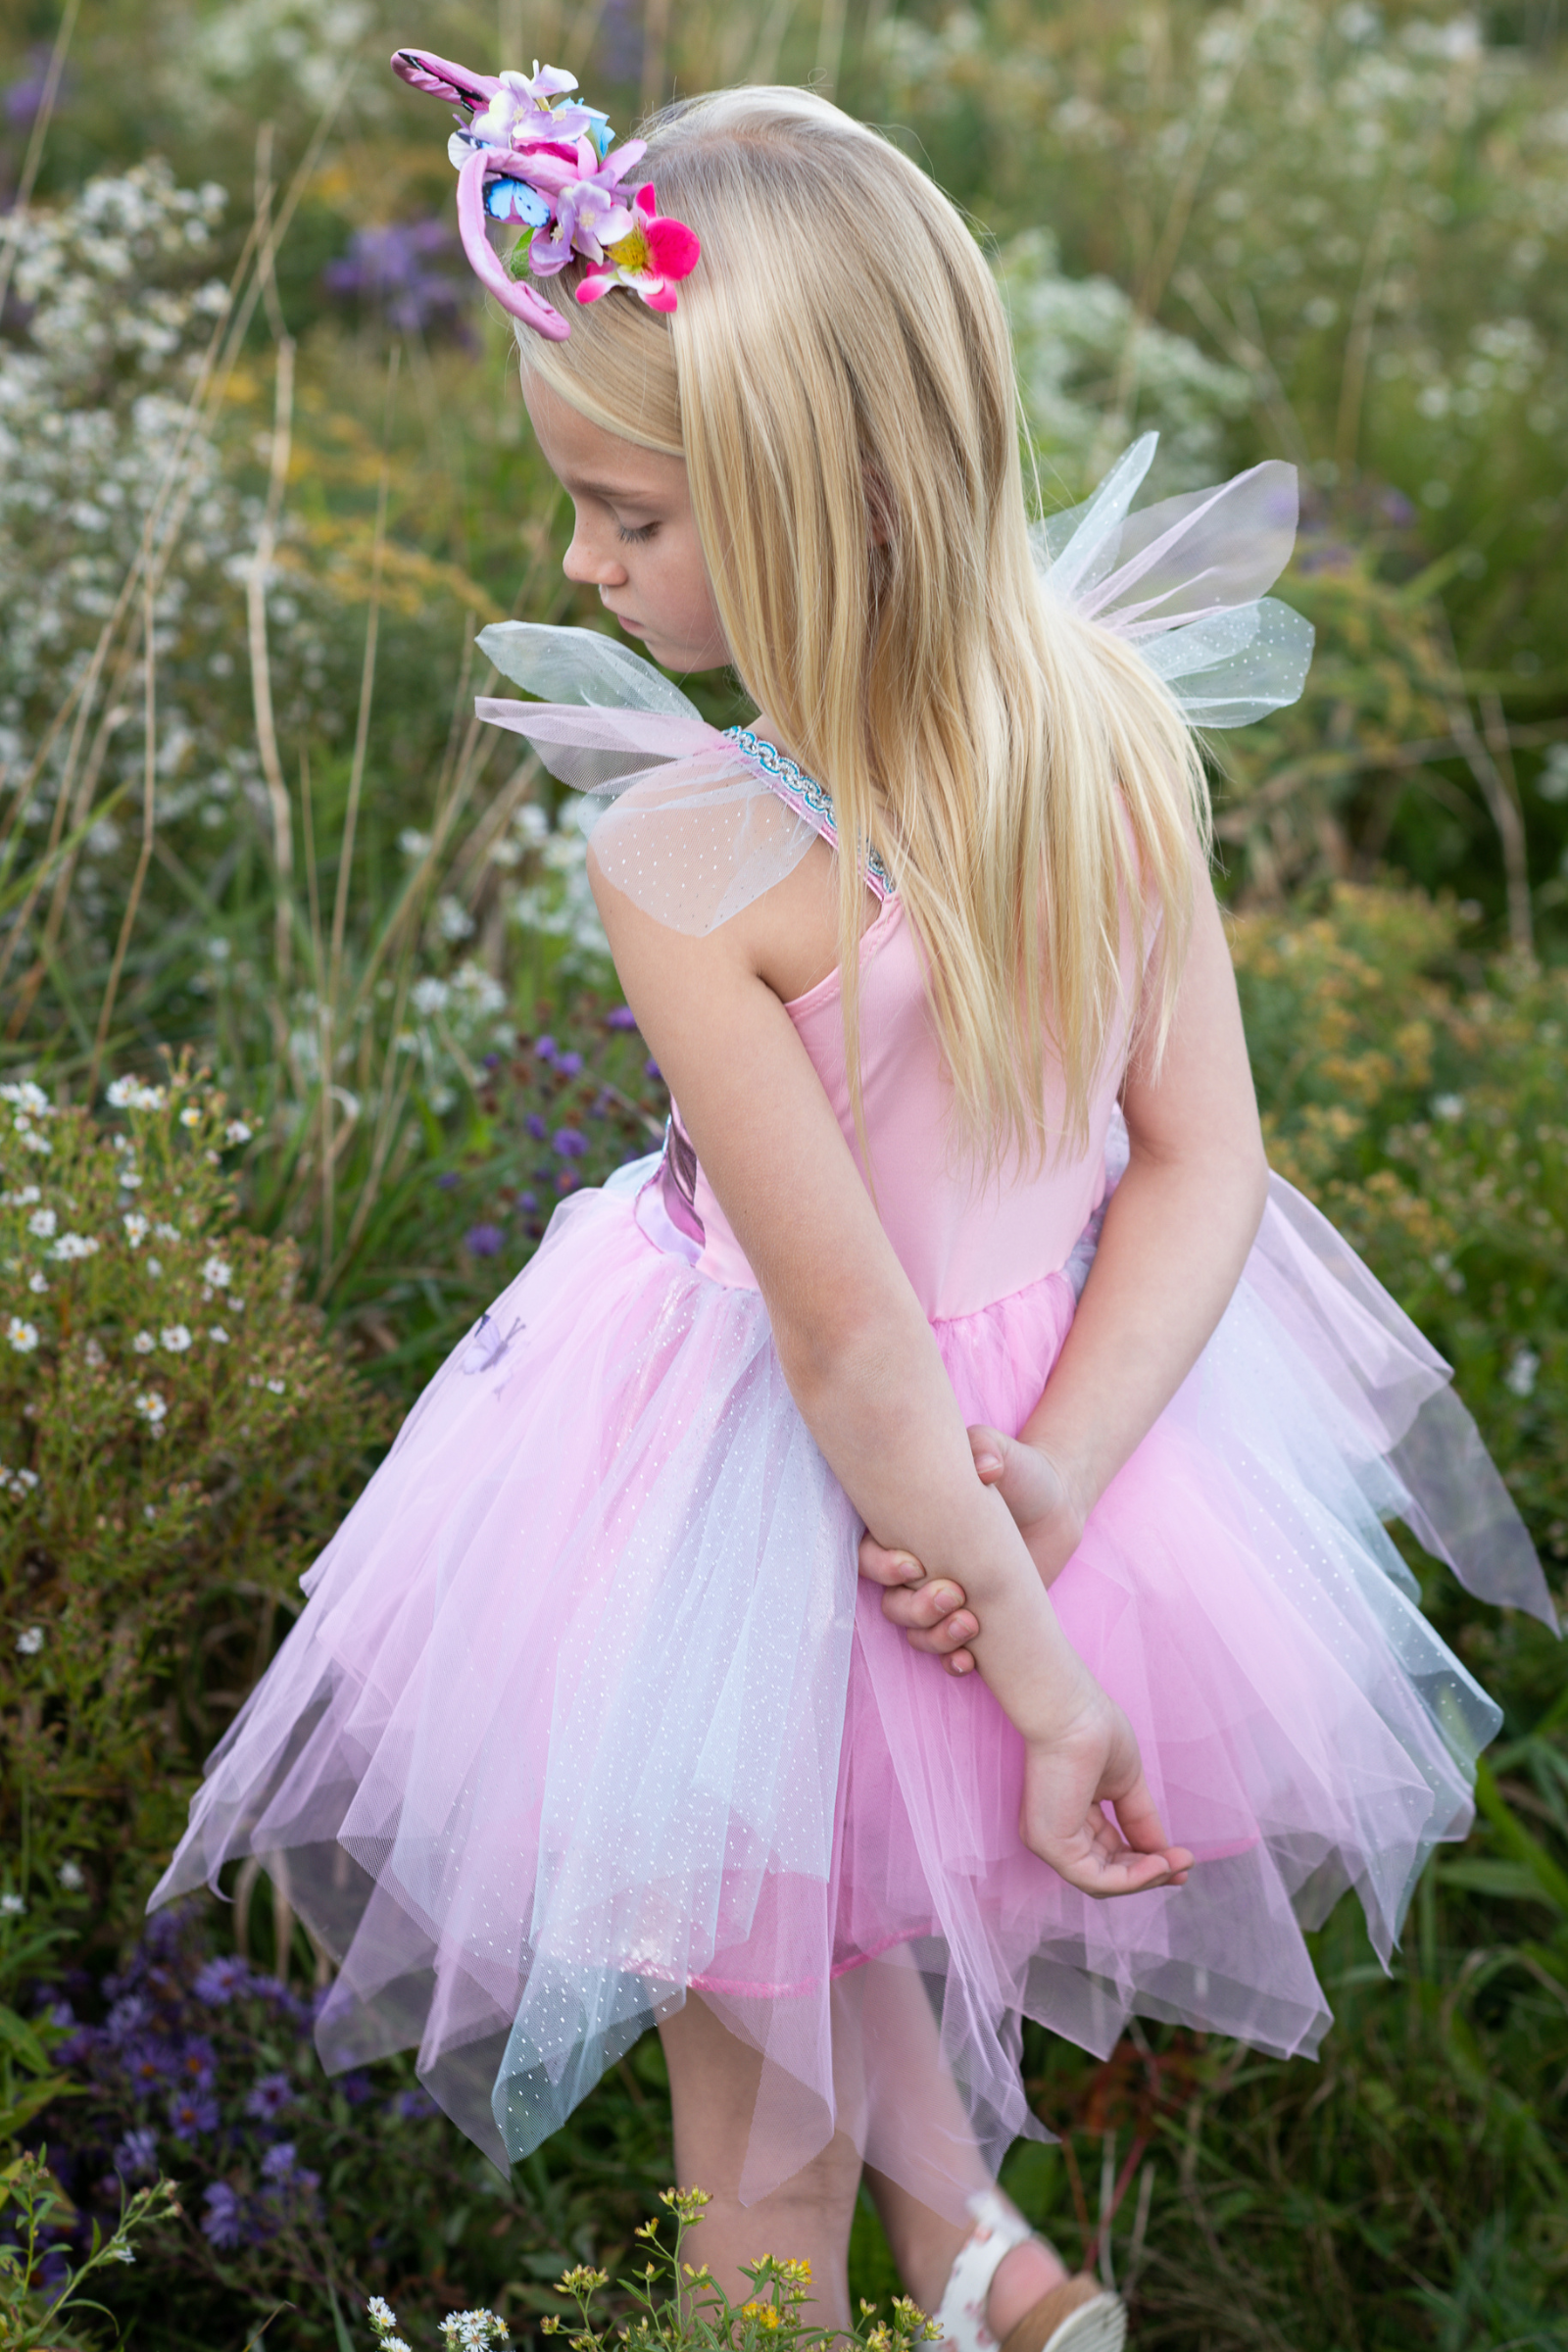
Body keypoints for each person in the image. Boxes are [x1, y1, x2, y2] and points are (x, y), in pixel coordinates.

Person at [151, 62, 1555, 2352]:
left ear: (812, 504)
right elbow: (1202, 1162)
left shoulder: (688, 860)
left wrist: (1026, 1642)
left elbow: (844, 1345)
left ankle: (890, 2256)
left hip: (799, 1465)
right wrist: (1064, 1487)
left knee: (757, 2141)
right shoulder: (1104, 719)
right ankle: (980, 2255)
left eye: (621, 514)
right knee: (845, 1888)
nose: (576, 568)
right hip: (1056, 1420)